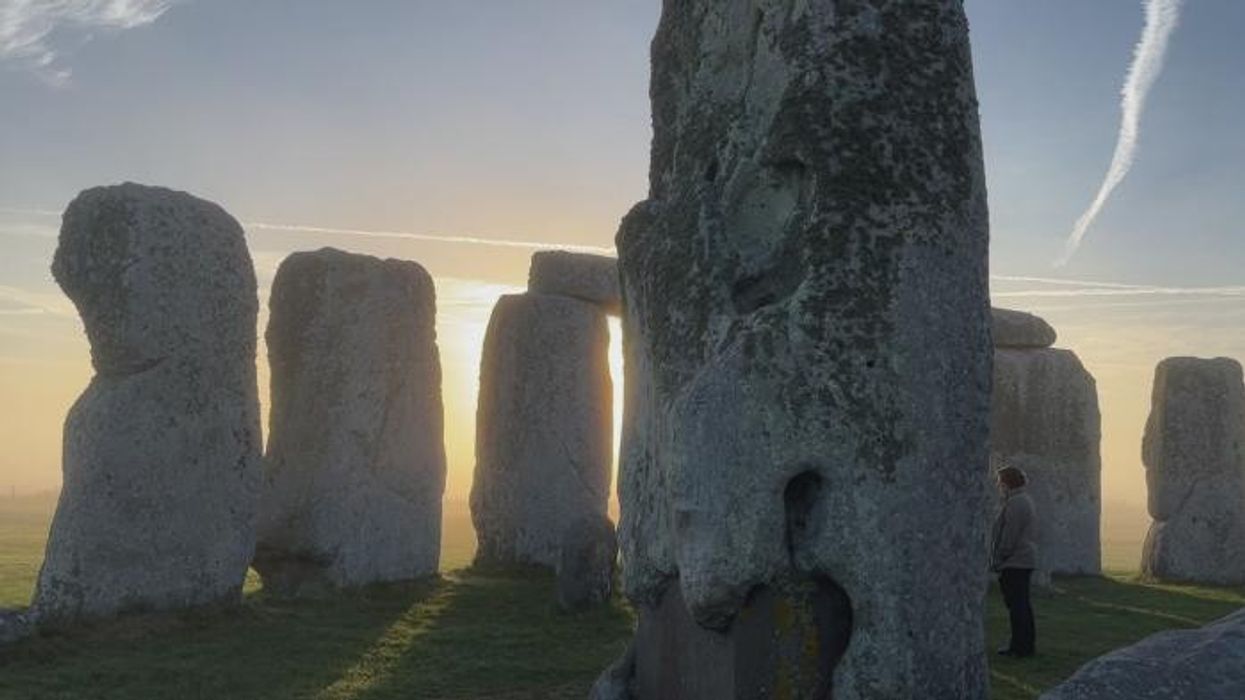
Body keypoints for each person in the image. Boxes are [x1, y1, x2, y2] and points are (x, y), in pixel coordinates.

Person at [991, 464, 1037, 658]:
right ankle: (1023, 645)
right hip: (1021, 559)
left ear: (1006, 483)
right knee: (1021, 605)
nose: (998, 485)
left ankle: (1020, 647)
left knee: (1017, 606)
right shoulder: (1022, 500)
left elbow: (1010, 535)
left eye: (999, 481)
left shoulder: (1016, 503)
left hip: (1015, 561)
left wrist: (1000, 558)